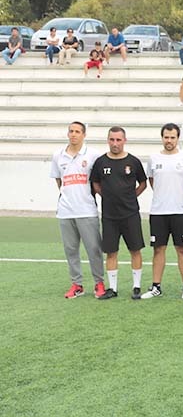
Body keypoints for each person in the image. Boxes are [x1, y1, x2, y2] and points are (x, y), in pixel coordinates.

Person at [90, 127, 148, 300]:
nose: (115, 143)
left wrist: (130, 197)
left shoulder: (134, 161)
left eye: (118, 140)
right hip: (109, 216)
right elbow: (95, 184)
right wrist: (107, 197)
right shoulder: (100, 162)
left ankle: (136, 286)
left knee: (135, 250)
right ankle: (112, 289)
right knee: (111, 252)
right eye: (112, 140)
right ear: (108, 140)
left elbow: (143, 183)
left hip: (130, 214)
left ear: (125, 140)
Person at [49, 122, 106, 299]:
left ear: (84, 134)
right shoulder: (58, 155)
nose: (73, 134)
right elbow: (59, 181)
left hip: (87, 210)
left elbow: (98, 180)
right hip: (65, 212)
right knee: (71, 250)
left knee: (94, 249)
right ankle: (77, 284)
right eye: (71, 131)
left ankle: (99, 283)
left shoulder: (94, 155)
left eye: (77, 132)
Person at [141, 124, 183, 300]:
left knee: (182, 249)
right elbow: (151, 179)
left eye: (172, 137)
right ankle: (156, 286)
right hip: (158, 212)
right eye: (166, 137)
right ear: (162, 137)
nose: (169, 140)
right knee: (158, 249)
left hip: (181, 212)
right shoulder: (153, 158)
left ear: (177, 138)